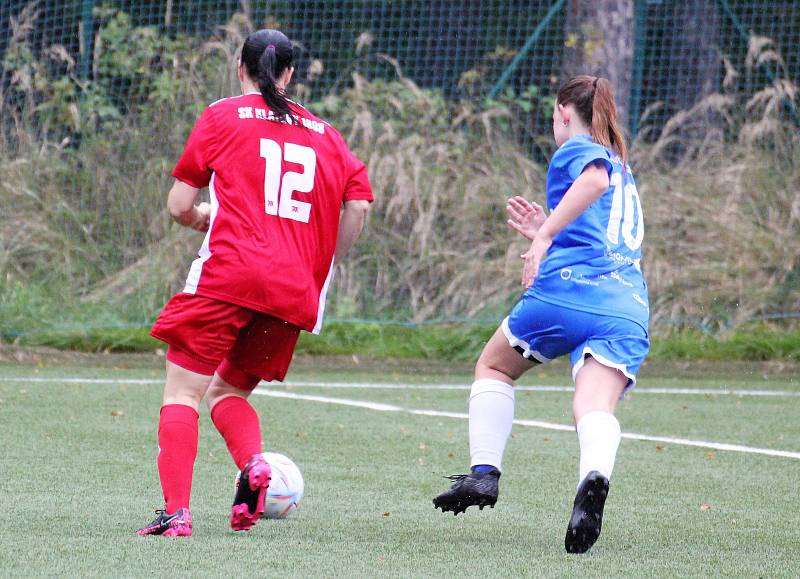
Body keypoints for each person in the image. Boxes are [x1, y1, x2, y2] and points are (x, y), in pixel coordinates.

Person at [136, 29, 373, 537]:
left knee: (182, 393)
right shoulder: (328, 135)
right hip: (293, 291)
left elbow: (178, 205)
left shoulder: (223, 115)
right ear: (289, 74)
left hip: (230, 275)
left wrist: (201, 216)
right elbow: (358, 204)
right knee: (229, 393)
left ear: (239, 67)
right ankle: (254, 469)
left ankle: (176, 513)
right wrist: (327, 255)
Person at [432, 75, 649, 555]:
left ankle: (484, 475)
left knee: (492, 366)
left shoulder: (579, 147)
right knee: (593, 407)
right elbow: (599, 226)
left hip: (567, 295)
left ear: (564, 114)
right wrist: (546, 228)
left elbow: (592, 179)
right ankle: (594, 478)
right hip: (626, 307)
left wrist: (545, 236)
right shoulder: (625, 168)